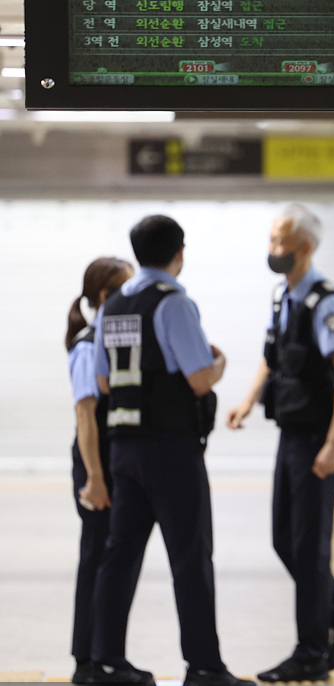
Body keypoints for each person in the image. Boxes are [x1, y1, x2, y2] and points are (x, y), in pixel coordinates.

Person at [89, 215, 251, 686]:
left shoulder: (113, 305)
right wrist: (219, 362)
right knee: (189, 557)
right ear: (180, 252)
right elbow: (199, 380)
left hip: (124, 448)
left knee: (120, 557)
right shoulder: (174, 304)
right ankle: (203, 667)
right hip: (171, 450)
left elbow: (103, 382)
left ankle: (108, 661)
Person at [225, 203, 334, 681]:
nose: (272, 249)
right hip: (291, 437)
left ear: (305, 247)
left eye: (279, 242)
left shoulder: (325, 301)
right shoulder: (284, 296)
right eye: (271, 239)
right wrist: (249, 399)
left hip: (318, 441)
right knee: (285, 541)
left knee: (309, 549)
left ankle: (311, 653)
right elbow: (273, 357)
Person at [65, 257, 133, 685]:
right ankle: (87, 662)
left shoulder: (109, 339)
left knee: (109, 558)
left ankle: (103, 656)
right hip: (96, 462)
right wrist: (95, 476)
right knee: (95, 557)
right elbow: (86, 416)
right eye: (126, 289)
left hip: (110, 461)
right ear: (106, 297)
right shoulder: (88, 346)